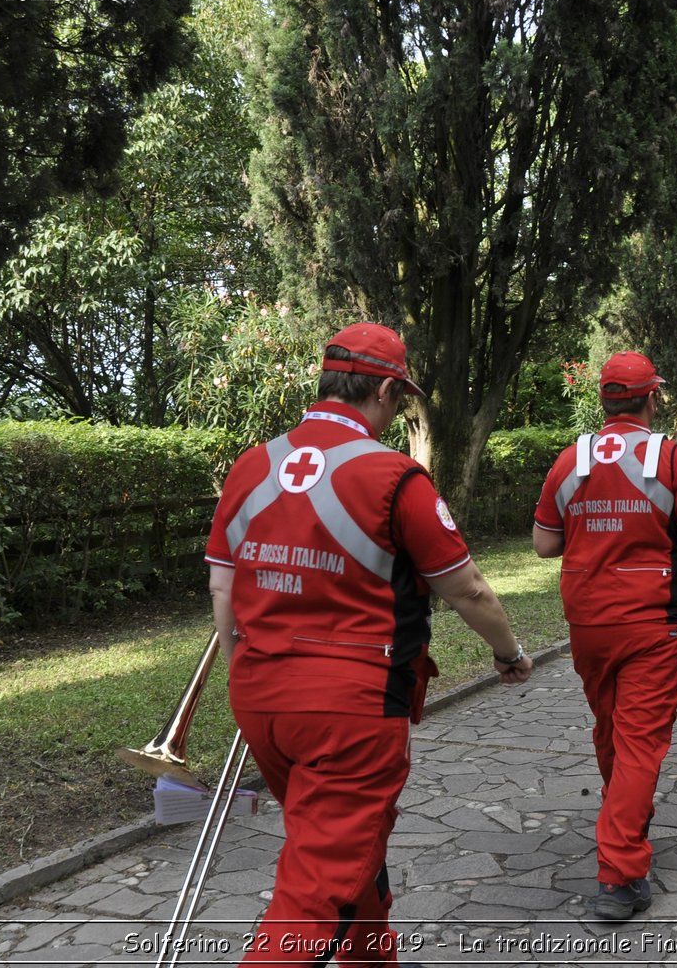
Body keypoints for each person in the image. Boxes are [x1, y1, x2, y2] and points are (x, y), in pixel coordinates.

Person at [204, 321, 534, 968]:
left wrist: (251, 671)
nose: (398, 413)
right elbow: (468, 590)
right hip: (350, 710)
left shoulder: (252, 465)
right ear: (384, 389)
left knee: (347, 842)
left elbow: (223, 591)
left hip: (259, 696)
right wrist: (509, 652)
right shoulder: (393, 476)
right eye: (399, 400)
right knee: (313, 893)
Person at [532, 351, 677, 921]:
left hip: (587, 623)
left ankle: (624, 814)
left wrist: (594, 524)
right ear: (652, 399)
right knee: (641, 742)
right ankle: (620, 875)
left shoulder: (570, 460)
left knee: (611, 731)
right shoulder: (671, 458)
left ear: (604, 400)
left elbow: (544, 544)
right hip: (650, 621)